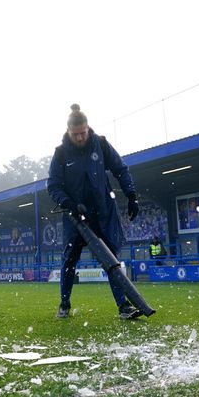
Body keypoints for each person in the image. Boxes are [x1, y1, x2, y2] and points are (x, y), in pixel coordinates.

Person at [48, 104, 141, 320]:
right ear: (68, 131)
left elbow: (120, 169)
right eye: (76, 134)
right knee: (70, 260)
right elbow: (53, 186)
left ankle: (123, 307)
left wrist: (131, 195)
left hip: (102, 214)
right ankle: (64, 304)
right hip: (75, 219)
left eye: (83, 133)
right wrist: (70, 204)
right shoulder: (61, 154)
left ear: (88, 128)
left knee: (111, 259)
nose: (80, 138)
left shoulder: (100, 144)